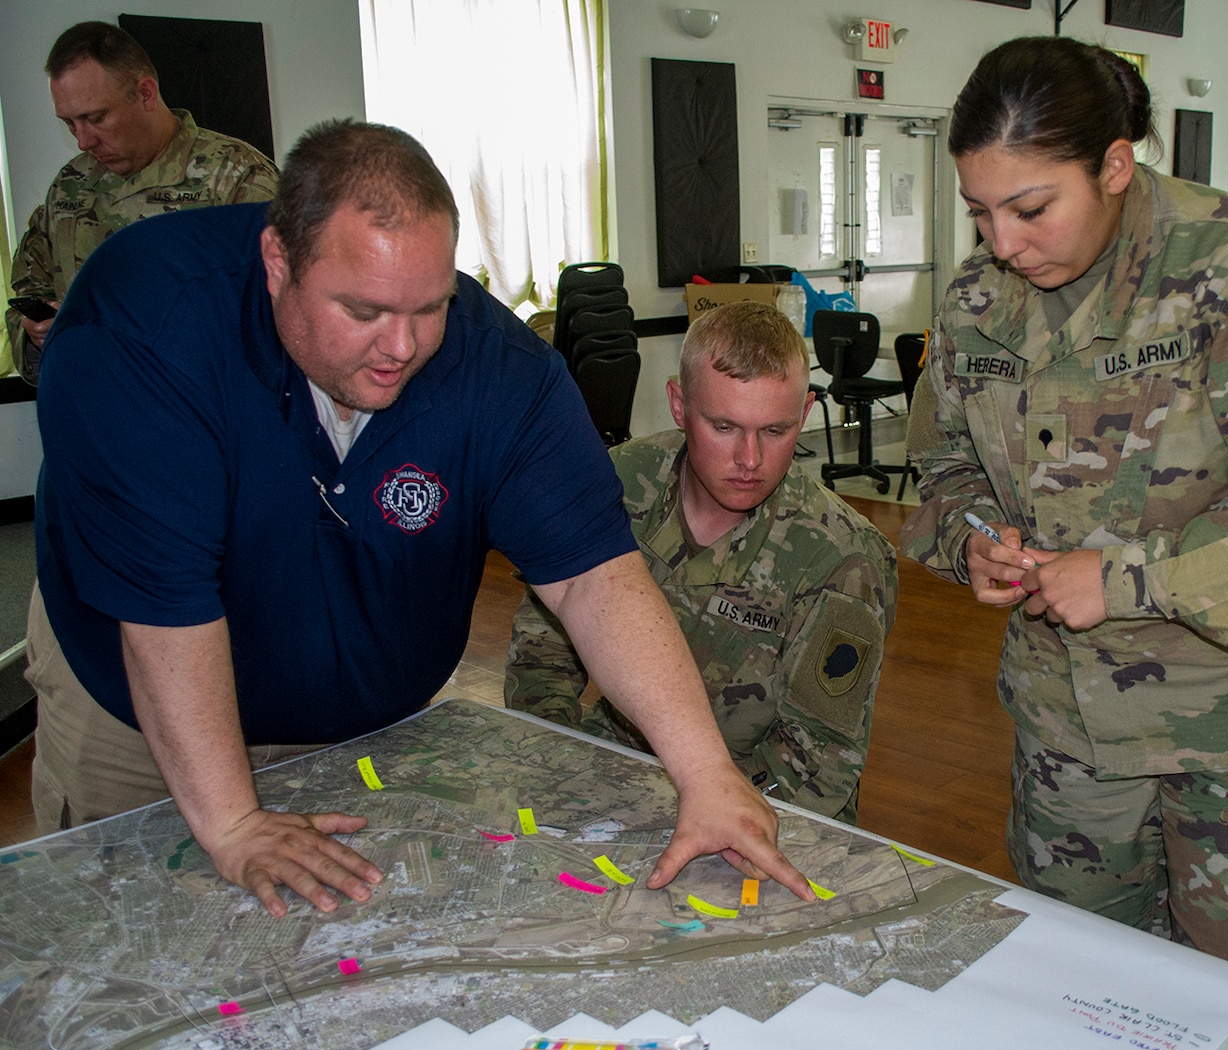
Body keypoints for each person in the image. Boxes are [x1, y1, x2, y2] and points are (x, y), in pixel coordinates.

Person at [28, 119, 813, 919]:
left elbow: (593, 577)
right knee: (139, 933)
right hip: (144, 700)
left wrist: (706, 771)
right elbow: (164, 610)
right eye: (363, 309)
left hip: (358, 726)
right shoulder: (143, 327)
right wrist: (231, 822)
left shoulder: (497, 368)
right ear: (277, 263)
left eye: (429, 307)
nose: (401, 346)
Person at [901, 36, 1228, 991]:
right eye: (980, 211)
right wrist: (973, 542)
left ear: (1116, 166)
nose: (1002, 243)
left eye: (1031, 208)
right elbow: (940, 463)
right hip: (1072, 736)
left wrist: (1129, 578)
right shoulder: (977, 299)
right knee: (1083, 1004)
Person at [506, 302, 898, 825]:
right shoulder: (612, 488)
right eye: (724, 427)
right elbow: (540, 664)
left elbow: (816, 761)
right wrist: (563, 776)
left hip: (763, 806)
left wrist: (696, 813)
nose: (750, 460)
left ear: (805, 414)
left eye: (776, 431)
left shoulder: (844, 557)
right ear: (678, 403)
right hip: (614, 771)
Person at [6, 20, 279, 384]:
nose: (83, 141)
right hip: (95, 412)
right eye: (70, 123)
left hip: (201, 419)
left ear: (146, 94)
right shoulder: (70, 186)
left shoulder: (236, 179)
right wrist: (38, 334)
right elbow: (28, 292)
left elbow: (281, 315)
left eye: (95, 118)